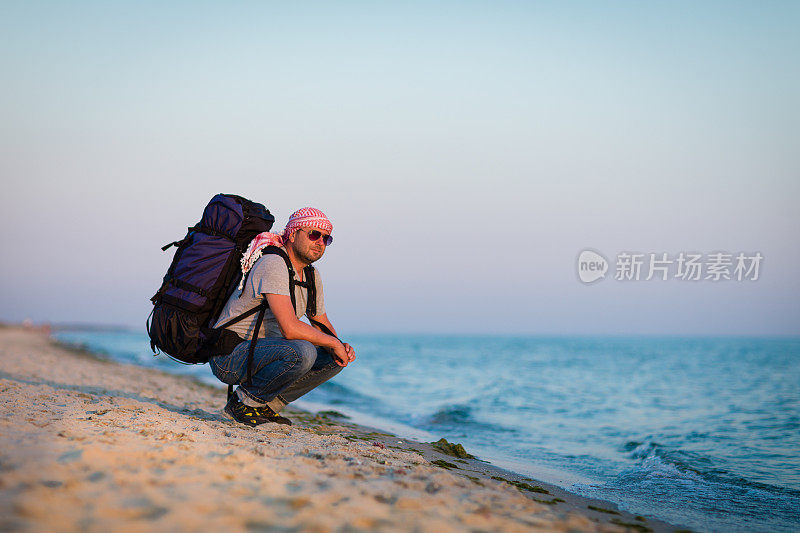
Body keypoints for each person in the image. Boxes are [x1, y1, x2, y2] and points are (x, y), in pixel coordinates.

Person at [209, 207, 355, 426]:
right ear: (293, 234)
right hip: (230, 355)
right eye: (314, 235)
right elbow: (290, 328)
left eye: (326, 238)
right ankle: (241, 403)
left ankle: (263, 406)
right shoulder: (273, 264)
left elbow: (320, 321)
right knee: (303, 351)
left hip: (264, 352)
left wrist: (339, 346)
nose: (320, 242)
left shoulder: (310, 275)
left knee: (333, 357)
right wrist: (332, 342)